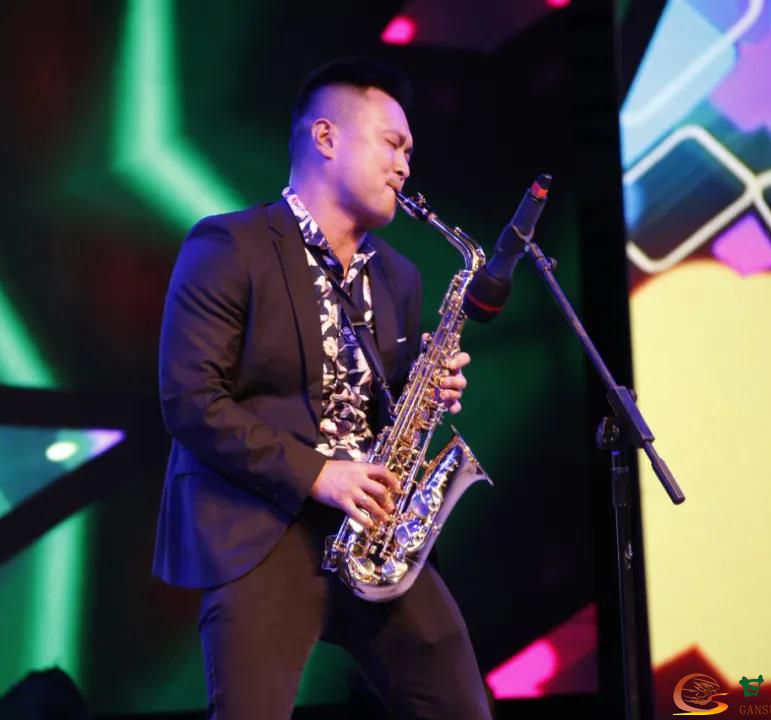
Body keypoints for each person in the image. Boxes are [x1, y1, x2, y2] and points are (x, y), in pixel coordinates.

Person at [152, 57, 491, 720]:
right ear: (326, 138)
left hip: (371, 535)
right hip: (263, 529)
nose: (405, 166)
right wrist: (319, 475)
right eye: (392, 144)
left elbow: (385, 412)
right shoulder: (229, 245)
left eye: (410, 153)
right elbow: (189, 401)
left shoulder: (399, 276)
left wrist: (428, 388)